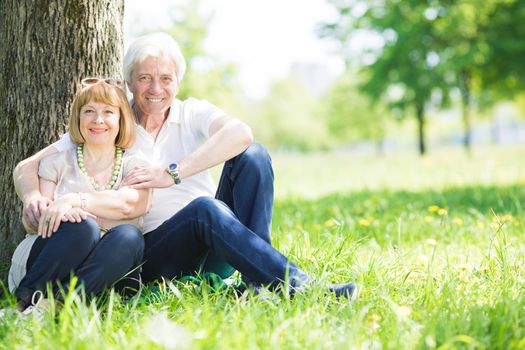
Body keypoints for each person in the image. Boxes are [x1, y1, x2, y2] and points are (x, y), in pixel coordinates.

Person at [13, 32, 356, 298]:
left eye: (166, 78)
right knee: (204, 209)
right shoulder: (110, 123)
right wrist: (32, 197)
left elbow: (241, 133)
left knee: (253, 155)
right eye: (145, 78)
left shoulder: (192, 113)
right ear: (129, 82)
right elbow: (27, 167)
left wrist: (171, 172)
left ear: (178, 81)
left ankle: (259, 279)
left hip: (221, 242)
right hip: (153, 255)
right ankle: (298, 286)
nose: (156, 88)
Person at [5, 78, 152, 315]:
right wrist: (60, 214)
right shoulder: (57, 162)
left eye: (108, 112)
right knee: (83, 227)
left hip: (105, 269)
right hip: (50, 264)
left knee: (130, 235)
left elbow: (132, 204)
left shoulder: (135, 165)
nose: (98, 120)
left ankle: (51, 307)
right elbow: (39, 222)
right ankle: (22, 305)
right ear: (78, 118)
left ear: (121, 119)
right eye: (89, 112)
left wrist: (74, 200)